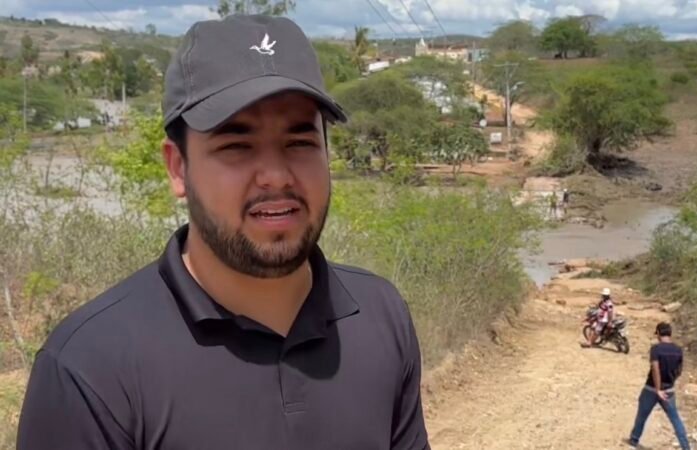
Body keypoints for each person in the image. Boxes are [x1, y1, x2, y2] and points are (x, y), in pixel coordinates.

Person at [17, 14, 429, 450]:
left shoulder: (380, 316)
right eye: (236, 145)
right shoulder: (90, 368)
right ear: (178, 168)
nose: (275, 175)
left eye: (300, 142)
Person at [627, 322, 691, 450]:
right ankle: (686, 447)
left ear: (658, 333)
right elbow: (679, 370)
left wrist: (658, 389)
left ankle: (634, 440)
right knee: (675, 419)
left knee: (642, 415)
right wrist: (670, 382)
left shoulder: (656, 349)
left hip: (652, 389)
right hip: (669, 390)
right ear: (670, 333)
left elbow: (655, 368)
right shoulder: (678, 350)